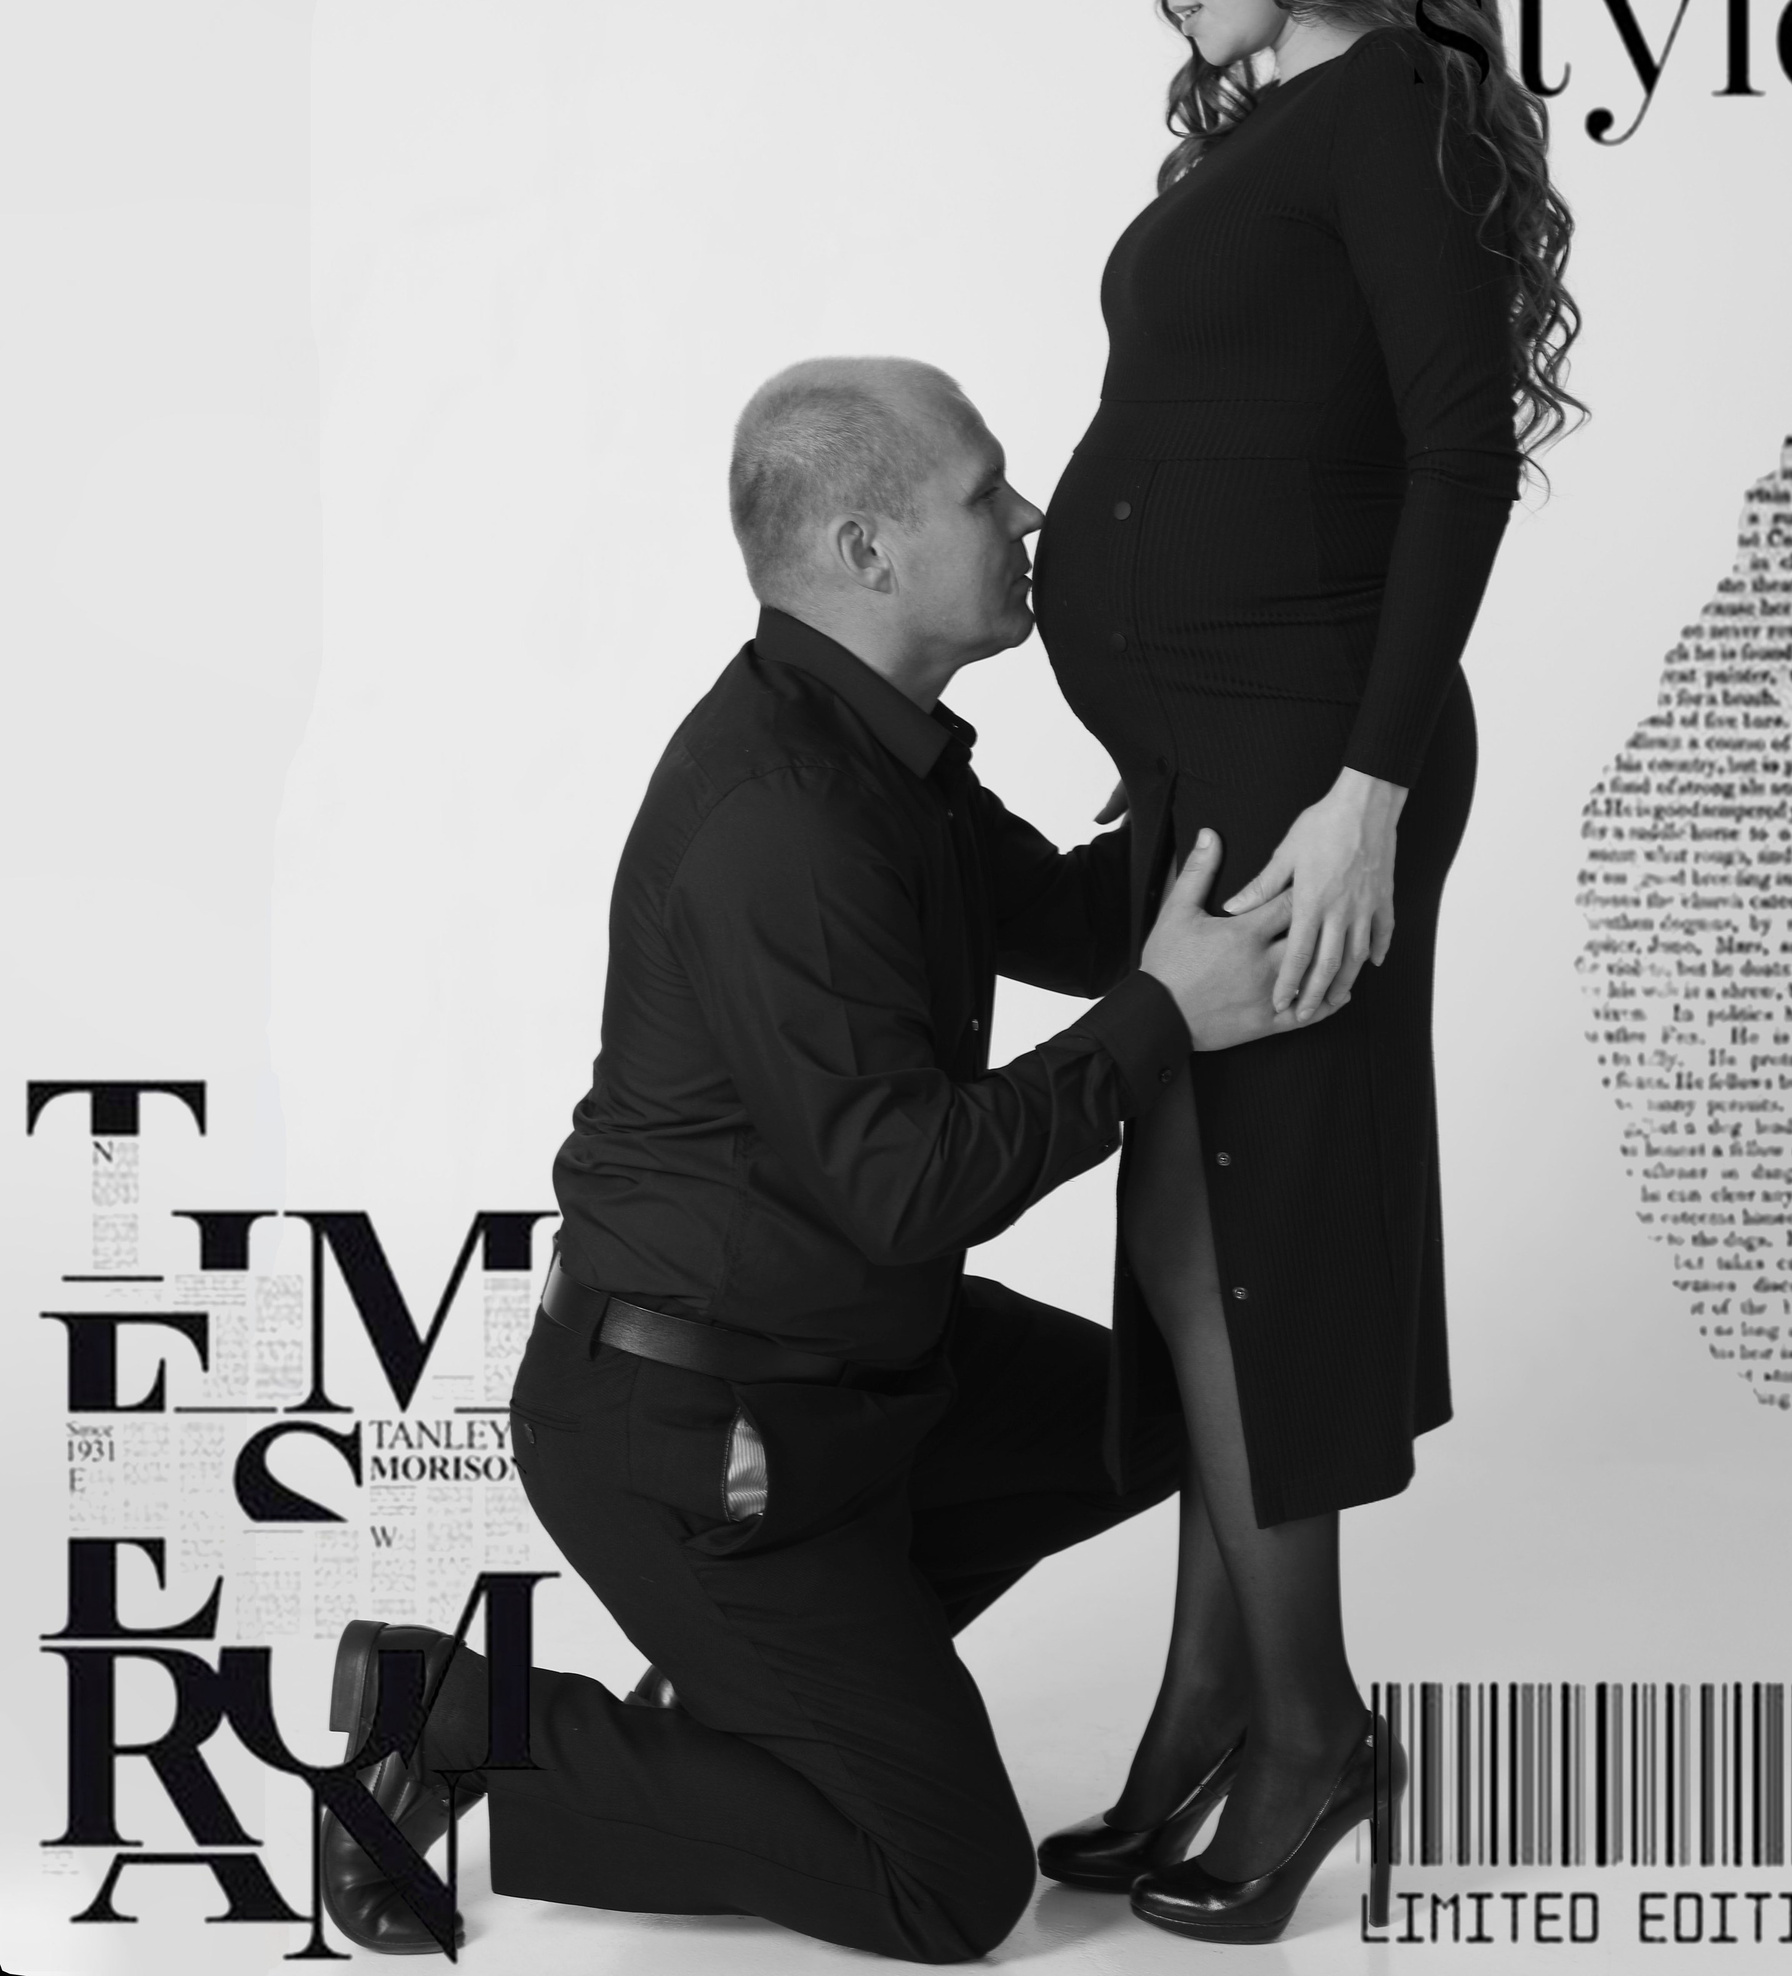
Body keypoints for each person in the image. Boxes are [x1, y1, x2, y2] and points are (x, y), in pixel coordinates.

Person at [319, 355, 1309, 1962]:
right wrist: (1161, 1021)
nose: (1030, 517)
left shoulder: (881, 750)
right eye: (986, 492)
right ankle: (454, 1714)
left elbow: (1073, 921)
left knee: (1169, 1414)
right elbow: (908, 1185)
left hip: (867, 1376)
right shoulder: (784, 810)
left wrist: (1236, 774)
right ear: (867, 549)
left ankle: (753, 1709)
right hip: (702, 1431)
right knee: (948, 1888)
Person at [1029, 0, 1581, 1943]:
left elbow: (1459, 458)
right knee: (1190, 1232)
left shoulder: (1399, 111)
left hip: (1316, 763)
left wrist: (1364, 787)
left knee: (1240, 1238)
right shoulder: (1285, 119)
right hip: (1227, 754)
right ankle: (1207, 1706)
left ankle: (1308, 1730)